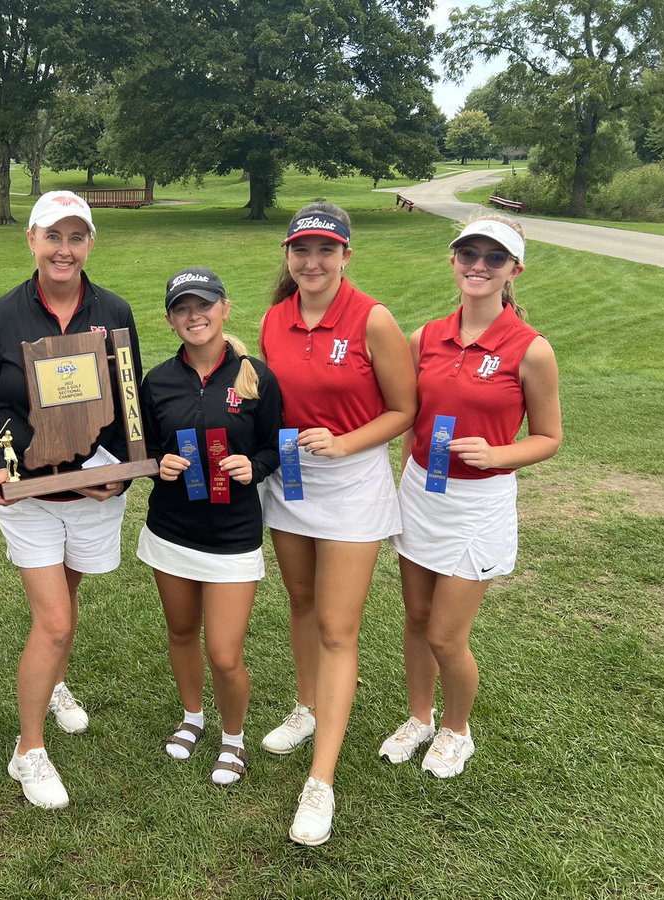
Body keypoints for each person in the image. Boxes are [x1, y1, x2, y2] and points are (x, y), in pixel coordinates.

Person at [0, 190, 142, 809]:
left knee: (71, 592)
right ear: (32, 241)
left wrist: (120, 472)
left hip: (93, 490)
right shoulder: (2, 315)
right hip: (30, 493)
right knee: (55, 619)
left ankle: (56, 682)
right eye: (53, 236)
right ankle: (28, 751)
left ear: (90, 244)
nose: (64, 249)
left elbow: (128, 404)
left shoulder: (113, 310)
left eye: (76, 237)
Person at [257, 202, 416, 845]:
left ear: (346, 255)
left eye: (326, 250)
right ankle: (306, 705)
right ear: (289, 256)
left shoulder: (372, 317)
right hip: (291, 478)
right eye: (302, 250)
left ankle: (321, 781)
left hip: (351, 482)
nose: (312, 262)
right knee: (299, 599)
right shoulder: (274, 318)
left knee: (336, 624)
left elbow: (404, 408)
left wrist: (347, 443)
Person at [380, 214, 561, 778]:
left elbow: (550, 437)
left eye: (493, 258)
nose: (478, 266)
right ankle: (420, 716)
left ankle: (458, 729)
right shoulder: (425, 337)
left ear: (514, 270)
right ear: (453, 261)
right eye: (469, 255)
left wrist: (498, 453)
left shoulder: (530, 349)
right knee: (414, 618)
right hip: (421, 491)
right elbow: (401, 409)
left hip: (477, 505)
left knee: (445, 634)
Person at [138, 267, 281, 786]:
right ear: (171, 318)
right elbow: (148, 448)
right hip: (171, 528)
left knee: (224, 652)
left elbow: (274, 445)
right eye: (182, 308)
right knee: (180, 632)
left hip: (232, 534)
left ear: (224, 308)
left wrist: (255, 467)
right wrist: (160, 463)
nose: (193, 316)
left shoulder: (256, 376)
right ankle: (193, 718)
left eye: (203, 305)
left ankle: (234, 739)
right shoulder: (158, 380)